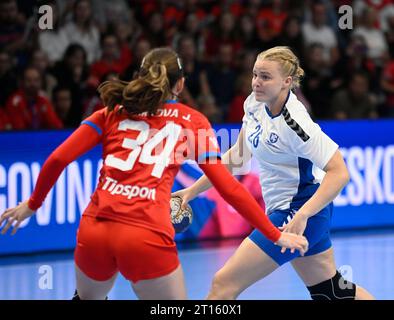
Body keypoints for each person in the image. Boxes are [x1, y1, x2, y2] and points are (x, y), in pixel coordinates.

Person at [0, 48, 307, 300]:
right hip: (145, 235)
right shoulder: (192, 121)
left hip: (95, 230)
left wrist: (33, 204)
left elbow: (57, 158)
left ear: (140, 77)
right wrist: (275, 234)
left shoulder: (111, 111)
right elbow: (229, 188)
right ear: (181, 85)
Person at [173, 46, 375, 300]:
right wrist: (191, 191)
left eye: (265, 77)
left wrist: (302, 216)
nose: (256, 82)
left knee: (223, 284)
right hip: (291, 210)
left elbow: (339, 172)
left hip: (298, 212)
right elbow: (236, 158)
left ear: (286, 82)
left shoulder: (296, 123)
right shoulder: (254, 103)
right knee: (331, 292)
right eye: (255, 75)